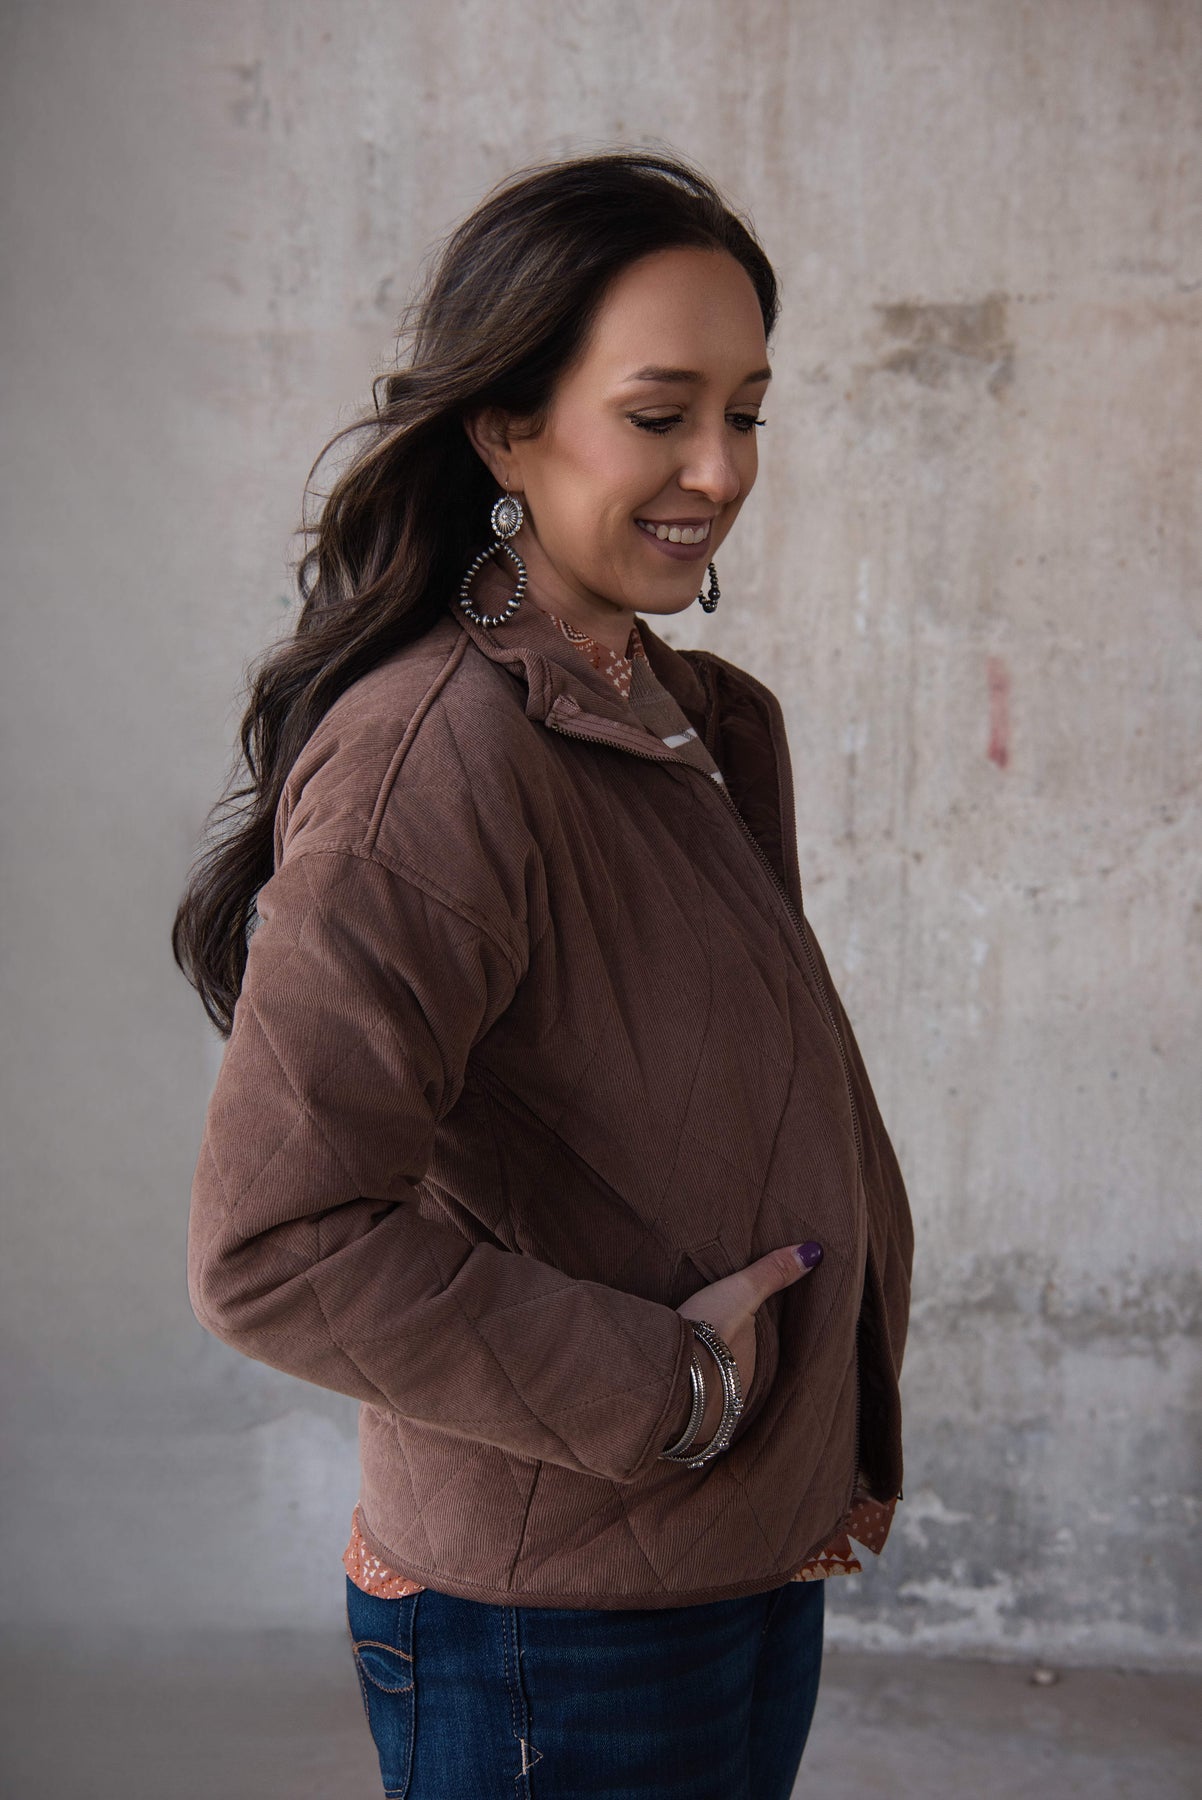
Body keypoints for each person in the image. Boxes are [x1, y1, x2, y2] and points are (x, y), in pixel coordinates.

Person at [174, 149, 914, 1800]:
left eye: (747, 412)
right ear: (505, 426)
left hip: (729, 1553)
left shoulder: (687, 717)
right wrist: (677, 1392)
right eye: (658, 414)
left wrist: (767, 1425)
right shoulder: (437, 757)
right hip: (556, 1621)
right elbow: (276, 1246)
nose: (718, 468)